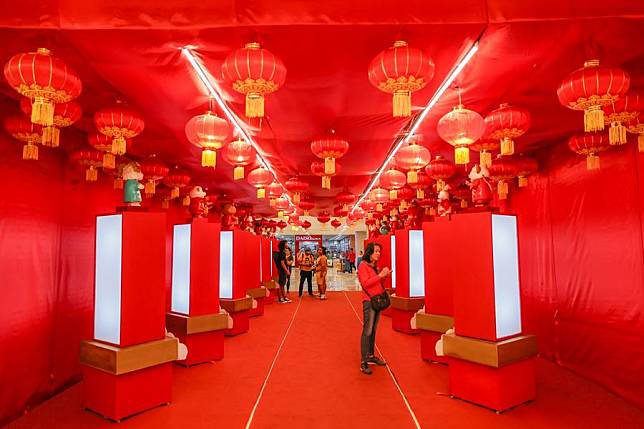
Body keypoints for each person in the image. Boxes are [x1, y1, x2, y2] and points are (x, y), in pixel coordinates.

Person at [357, 242, 389, 375]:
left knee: (373, 330)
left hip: (378, 300)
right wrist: (380, 276)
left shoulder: (374, 266)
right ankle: (363, 360)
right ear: (369, 252)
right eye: (376, 251)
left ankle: (370, 355)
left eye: (379, 251)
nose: (378, 253)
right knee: (367, 330)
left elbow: (378, 283)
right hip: (369, 301)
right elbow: (365, 283)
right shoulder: (363, 265)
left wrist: (383, 276)